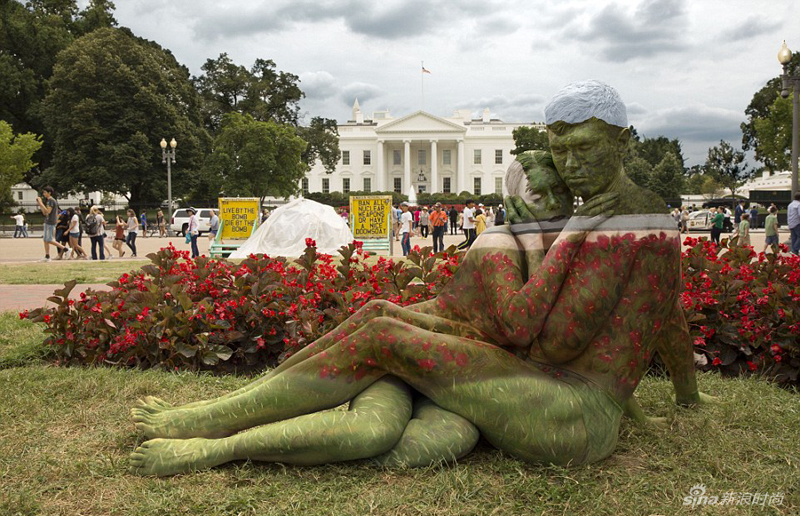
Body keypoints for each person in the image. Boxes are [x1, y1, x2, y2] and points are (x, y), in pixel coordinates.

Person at [129, 80, 708, 477]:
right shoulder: (640, 214)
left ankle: (213, 425)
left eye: (583, 149)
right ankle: (237, 406)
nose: (571, 168)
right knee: (384, 325)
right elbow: (666, 314)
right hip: (555, 395)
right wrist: (687, 397)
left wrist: (545, 247)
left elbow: (553, 343)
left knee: (386, 337)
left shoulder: (608, 225)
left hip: (566, 415)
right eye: (561, 152)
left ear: (621, 141)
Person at [36, 186, 67, 262]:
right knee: (45, 239)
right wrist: (40, 204)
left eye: (45, 192)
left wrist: (41, 203)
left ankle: (65, 249)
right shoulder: (49, 201)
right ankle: (47, 256)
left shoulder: (51, 200)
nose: (43, 194)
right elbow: (44, 213)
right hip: (48, 221)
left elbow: (47, 212)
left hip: (50, 222)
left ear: (49, 193)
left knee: (49, 239)